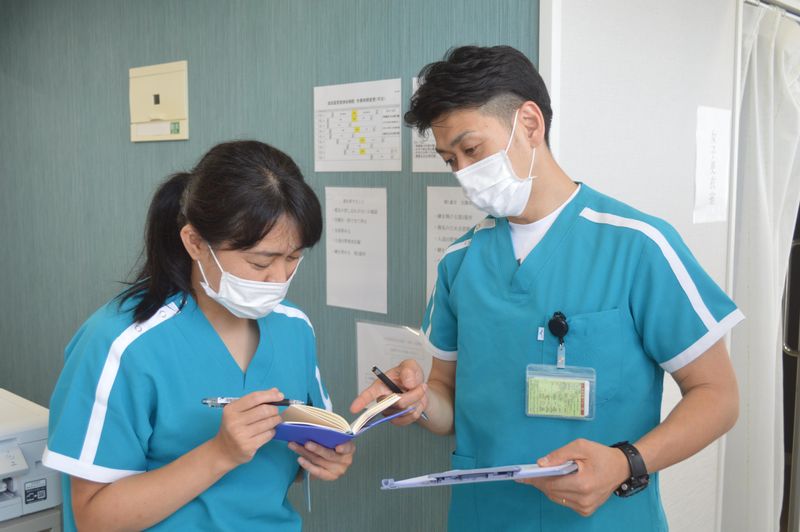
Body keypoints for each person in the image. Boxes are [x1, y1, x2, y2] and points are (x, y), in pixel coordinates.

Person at [352, 45, 742, 531]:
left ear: (530, 124)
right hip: (486, 518)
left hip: (605, 520)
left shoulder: (638, 246)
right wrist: (418, 402)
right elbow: (446, 399)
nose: (464, 174)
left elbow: (718, 396)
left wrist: (625, 463)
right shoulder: (460, 261)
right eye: (451, 160)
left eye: (472, 150)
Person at [42, 140, 355, 531]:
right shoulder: (119, 343)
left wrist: (324, 457)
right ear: (194, 242)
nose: (279, 278)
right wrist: (219, 453)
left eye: (293, 258)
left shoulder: (295, 327)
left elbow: (283, 463)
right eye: (260, 261)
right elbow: (93, 518)